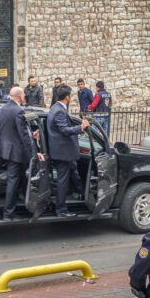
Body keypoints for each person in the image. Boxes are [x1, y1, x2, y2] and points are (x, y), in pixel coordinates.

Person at [0, 87, 44, 220]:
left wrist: (32, 133)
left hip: (7, 150)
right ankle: (8, 213)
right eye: (23, 94)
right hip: (17, 152)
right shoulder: (18, 110)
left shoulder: (4, 108)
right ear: (20, 97)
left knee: (19, 180)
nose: (24, 96)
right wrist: (33, 153)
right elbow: (22, 134)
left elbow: (10, 130)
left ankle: (25, 206)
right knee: (13, 182)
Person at [47, 84, 89, 217]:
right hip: (62, 153)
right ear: (67, 97)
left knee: (74, 171)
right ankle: (61, 209)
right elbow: (64, 130)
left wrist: (78, 128)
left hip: (65, 152)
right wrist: (80, 128)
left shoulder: (55, 107)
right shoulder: (59, 111)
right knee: (62, 180)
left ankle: (81, 194)